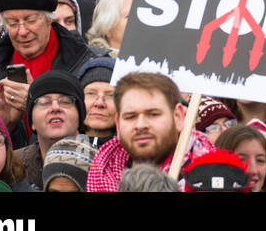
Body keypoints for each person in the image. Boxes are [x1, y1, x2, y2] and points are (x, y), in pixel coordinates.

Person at [0, 0, 100, 145]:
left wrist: (36, 105)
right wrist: (5, 126)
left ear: (50, 19)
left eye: (31, 20)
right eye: (12, 23)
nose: (22, 31)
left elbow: (102, 133)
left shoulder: (90, 66)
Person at [86, 71, 216, 190]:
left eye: (153, 114)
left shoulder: (216, 176)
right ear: (118, 124)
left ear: (178, 117)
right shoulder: (101, 170)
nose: (141, 125)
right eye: (130, 116)